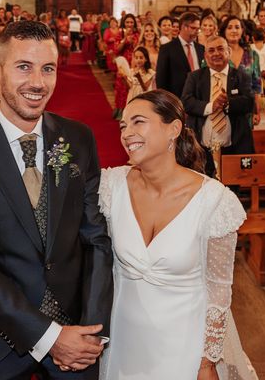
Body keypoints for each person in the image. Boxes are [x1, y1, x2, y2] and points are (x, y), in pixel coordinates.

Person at [0, 20, 113, 379]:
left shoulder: (77, 139)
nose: (37, 82)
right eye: (24, 67)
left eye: (48, 69)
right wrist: (50, 338)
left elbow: (96, 239)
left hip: (76, 338)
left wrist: (91, 331)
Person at [99, 89, 255, 380]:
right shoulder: (111, 186)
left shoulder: (214, 201)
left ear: (173, 128)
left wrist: (207, 361)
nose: (127, 133)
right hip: (124, 340)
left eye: (138, 122)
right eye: (123, 125)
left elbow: (219, 291)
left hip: (184, 344)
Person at [182, 35, 255, 177]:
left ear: (228, 51)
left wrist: (227, 103)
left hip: (233, 147)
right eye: (211, 50)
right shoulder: (194, 77)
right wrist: (211, 106)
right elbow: (186, 102)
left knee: (232, 191)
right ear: (205, 55)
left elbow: (249, 102)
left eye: (220, 49)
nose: (216, 53)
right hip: (201, 149)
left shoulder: (242, 76)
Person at [219, 15, 262, 125]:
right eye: (230, 27)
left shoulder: (252, 55)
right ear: (224, 31)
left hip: (246, 109)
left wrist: (256, 111)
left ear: (242, 30)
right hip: (221, 108)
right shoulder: (217, 54)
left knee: (244, 140)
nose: (234, 30)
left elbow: (256, 86)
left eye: (237, 27)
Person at [156, 12, 203, 98]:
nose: (197, 32)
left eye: (198, 29)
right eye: (193, 28)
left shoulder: (201, 49)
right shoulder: (167, 49)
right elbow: (161, 80)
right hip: (177, 98)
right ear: (183, 27)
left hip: (198, 99)